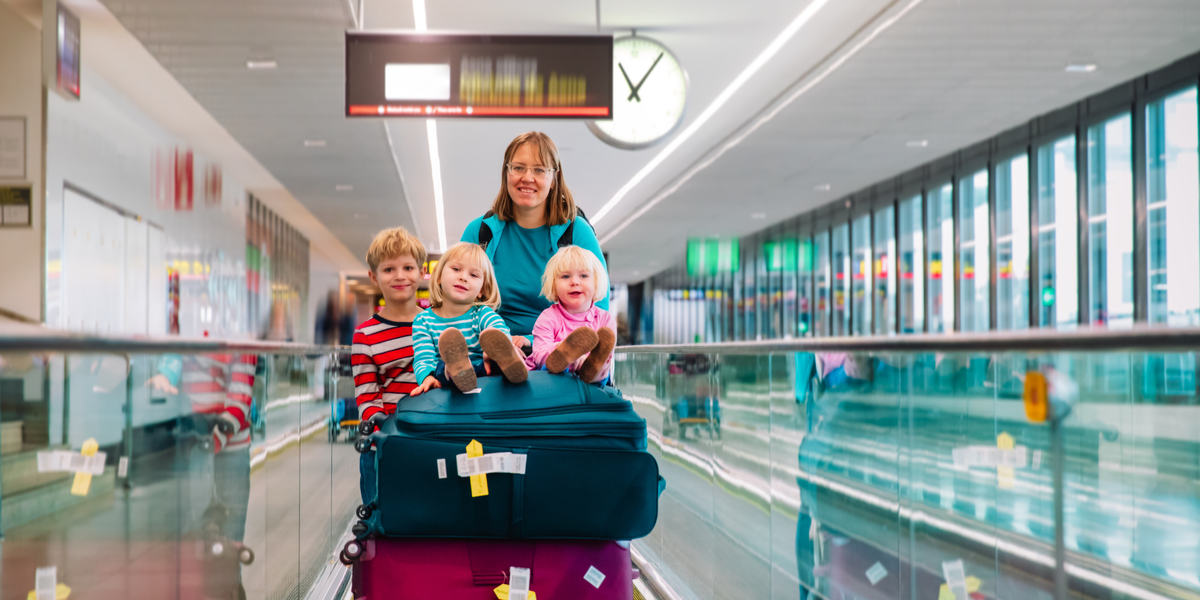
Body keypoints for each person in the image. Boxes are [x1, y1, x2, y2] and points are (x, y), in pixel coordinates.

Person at [461, 131, 609, 350]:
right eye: (518, 167)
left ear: (554, 179)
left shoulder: (577, 232)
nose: (527, 178)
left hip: (559, 353)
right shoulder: (479, 233)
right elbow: (456, 302)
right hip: (489, 350)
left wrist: (531, 342)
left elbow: (598, 310)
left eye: (539, 170)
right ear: (506, 173)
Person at [351, 227, 426, 503]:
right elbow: (367, 398)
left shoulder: (437, 325)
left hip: (430, 441)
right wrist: (389, 434)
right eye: (389, 269)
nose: (400, 276)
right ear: (374, 277)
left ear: (421, 272)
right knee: (382, 519)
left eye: (408, 267)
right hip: (384, 448)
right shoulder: (366, 335)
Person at [409, 242, 527, 395]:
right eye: (456, 269)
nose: (463, 277)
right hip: (447, 376)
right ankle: (457, 368)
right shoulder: (423, 320)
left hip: (484, 371)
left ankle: (510, 364)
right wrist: (427, 377)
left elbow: (498, 330)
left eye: (474, 275)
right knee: (444, 367)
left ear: (482, 290)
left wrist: (498, 350)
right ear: (438, 276)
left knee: (495, 362)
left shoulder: (482, 313)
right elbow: (423, 357)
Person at [528, 245, 616, 385]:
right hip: (552, 379)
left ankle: (592, 368)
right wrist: (564, 351)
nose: (574, 282)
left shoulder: (605, 319)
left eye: (583, 276)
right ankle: (565, 355)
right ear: (554, 284)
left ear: (596, 281)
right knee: (549, 367)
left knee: (603, 371)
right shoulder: (548, 317)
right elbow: (539, 356)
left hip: (592, 382)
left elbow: (608, 357)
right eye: (565, 276)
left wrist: (585, 360)